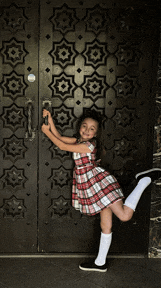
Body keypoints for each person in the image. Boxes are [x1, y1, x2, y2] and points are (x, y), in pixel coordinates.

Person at [41, 108, 161, 272]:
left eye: (92, 129)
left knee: (125, 215)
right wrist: (50, 122)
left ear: (96, 134)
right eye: (84, 126)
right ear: (79, 127)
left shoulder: (89, 146)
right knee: (106, 225)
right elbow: (61, 138)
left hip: (98, 184)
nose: (87, 130)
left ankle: (143, 181)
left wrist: (46, 132)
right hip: (92, 186)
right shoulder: (79, 141)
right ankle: (100, 263)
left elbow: (61, 145)